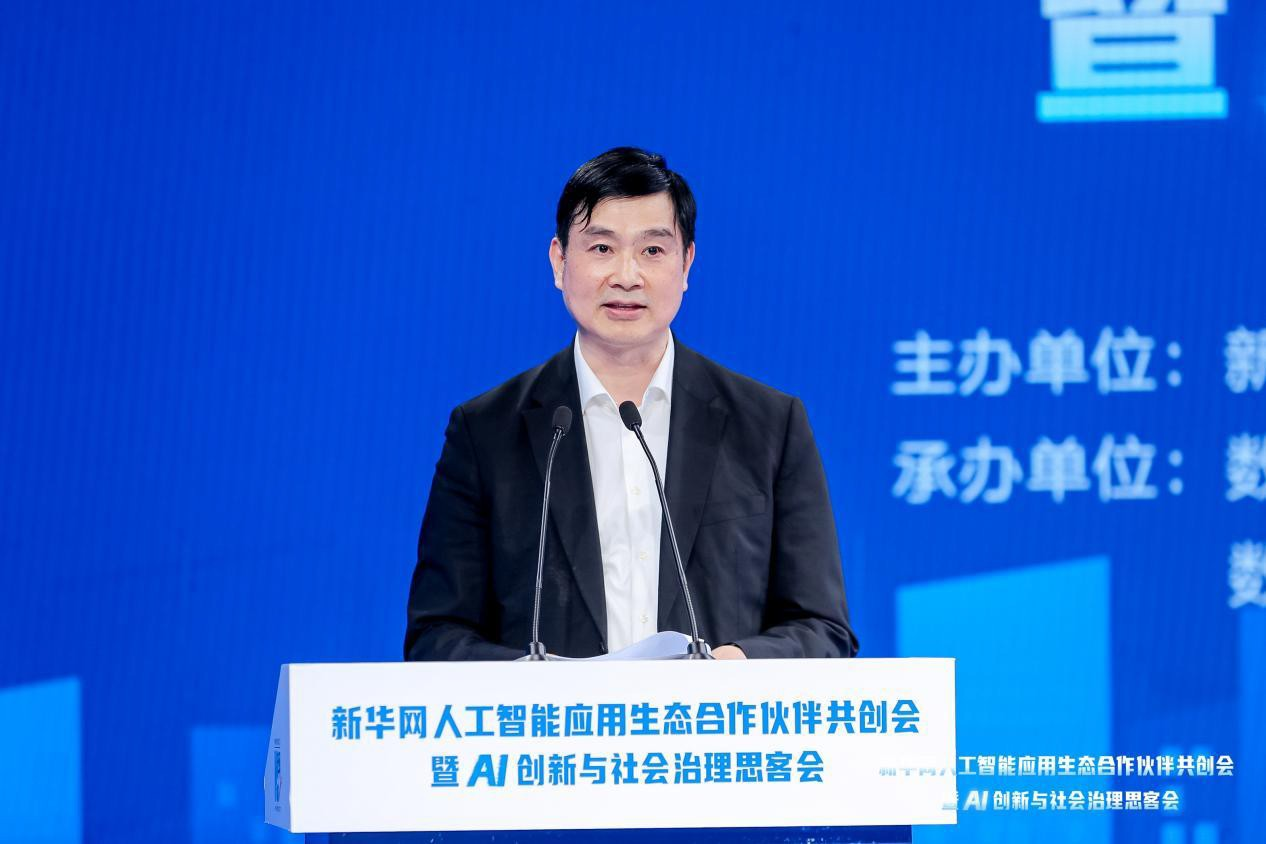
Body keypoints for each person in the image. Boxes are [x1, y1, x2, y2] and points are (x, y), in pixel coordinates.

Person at [404, 147, 858, 661]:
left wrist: (734, 666)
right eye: (602, 248)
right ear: (559, 261)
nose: (626, 275)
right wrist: (531, 682)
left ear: (687, 264)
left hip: (713, 715)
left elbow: (823, 629)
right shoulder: (485, 432)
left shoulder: (770, 426)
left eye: (653, 250)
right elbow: (436, 637)